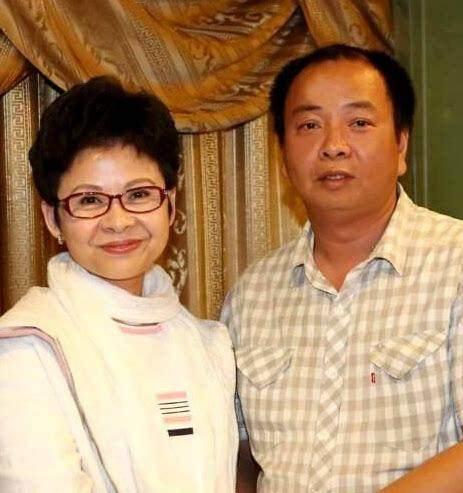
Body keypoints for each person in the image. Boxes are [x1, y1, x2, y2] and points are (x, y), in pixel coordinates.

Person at [222, 44, 463, 492]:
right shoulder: (251, 295)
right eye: (309, 125)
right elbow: (239, 456)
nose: (334, 146)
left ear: (401, 144)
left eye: (359, 123)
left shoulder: (455, 263)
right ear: (282, 153)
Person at [0, 76, 238, 492]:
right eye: (90, 200)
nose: (118, 221)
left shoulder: (208, 345)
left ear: (170, 204)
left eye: (139, 194)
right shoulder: (25, 346)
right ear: (53, 218)